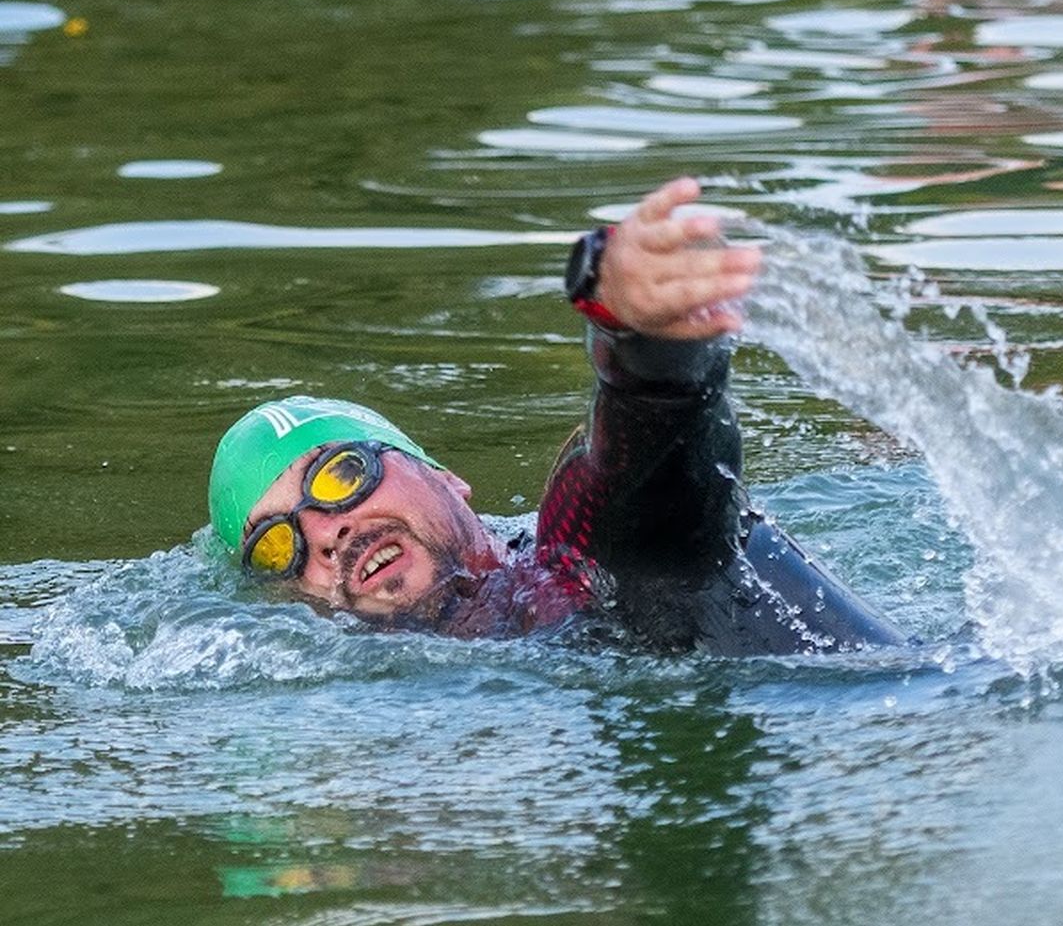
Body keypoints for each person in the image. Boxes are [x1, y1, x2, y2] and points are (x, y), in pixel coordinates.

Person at [207, 178, 906, 655]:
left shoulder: (568, 560)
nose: (329, 529)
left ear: (446, 477)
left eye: (341, 473)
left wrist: (640, 339)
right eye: (279, 546)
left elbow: (639, 469)